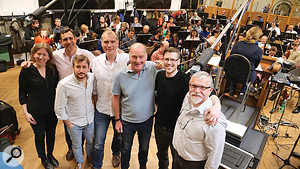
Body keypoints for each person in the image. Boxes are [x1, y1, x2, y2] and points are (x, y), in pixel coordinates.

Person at [21, 27, 95, 161]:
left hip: (81, 96)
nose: (68, 41)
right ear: (61, 41)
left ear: (76, 39)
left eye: (70, 38)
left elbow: (99, 64)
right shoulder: (56, 56)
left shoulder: (86, 54)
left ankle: (81, 148)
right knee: (69, 128)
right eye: (65, 39)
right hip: (65, 98)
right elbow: (41, 59)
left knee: (83, 127)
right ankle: (71, 148)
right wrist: (29, 63)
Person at [154, 47, 221, 169]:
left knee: (177, 157)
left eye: (173, 60)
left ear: (179, 62)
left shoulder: (187, 81)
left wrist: (217, 105)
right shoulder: (159, 76)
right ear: (162, 60)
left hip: (178, 128)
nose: (169, 63)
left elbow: (209, 93)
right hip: (160, 126)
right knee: (161, 155)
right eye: (167, 59)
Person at [112, 43, 163, 169]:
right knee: (125, 149)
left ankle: (142, 166)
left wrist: (163, 64)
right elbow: (115, 98)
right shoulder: (119, 76)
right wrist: (117, 120)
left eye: (141, 57)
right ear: (129, 56)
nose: (138, 60)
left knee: (144, 148)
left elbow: (172, 72)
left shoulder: (153, 68)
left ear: (147, 56)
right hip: (127, 121)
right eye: (134, 57)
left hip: (147, 120)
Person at [172, 71, 227, 169]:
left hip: (193, 165)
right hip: (177, 156)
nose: (197, 90)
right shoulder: (188, 97)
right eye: (194, 86)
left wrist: (217, 105)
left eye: (202, 87)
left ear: (210, 90)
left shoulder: (214, 119)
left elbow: (215, 155)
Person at [92, 30, 129, 169]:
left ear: (118, 43)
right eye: (106, 42)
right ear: (101, 43)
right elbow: (94, 88)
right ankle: (97, 165)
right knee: (98, 142)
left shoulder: (126, 59)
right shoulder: (95, 62)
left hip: (121, 109)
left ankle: (115, 153)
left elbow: (141, 61)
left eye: (112, 42)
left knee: (118, 137)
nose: (109, 45)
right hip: (101, 108)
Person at [19, 43, 59, 169]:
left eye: (44, 54)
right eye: (38, 54)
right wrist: (26, 113)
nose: (41, 57)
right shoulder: (26, 71)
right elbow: (22, 94)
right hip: (35, 111)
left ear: (48, 57)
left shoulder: (52, 69)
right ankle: (43, 158)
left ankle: (50, 154)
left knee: (51, 134)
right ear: (33, 55)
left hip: (52, 110)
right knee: (40, 136)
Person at [55, 55, 95, 169]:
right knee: (77, 145)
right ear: (73, 67)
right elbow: (59, 107)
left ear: (88, 68)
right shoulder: (64, 84)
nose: (81, 70)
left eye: (84, 67)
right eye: (78, 67)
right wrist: (68, 124)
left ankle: (89, 158)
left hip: (90, 119)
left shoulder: (92, 78)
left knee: (91, 142)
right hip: (74, 122)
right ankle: (79, 162)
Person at [229, 26, 263, 100]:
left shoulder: (237, 44)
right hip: (245, 76)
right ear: (258, 37)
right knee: (253, 73)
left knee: (235, 67)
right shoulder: (258, 50)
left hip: (230, 74)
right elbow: (256, 65)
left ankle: (232, 89)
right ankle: (242, 92)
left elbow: (231, 57)